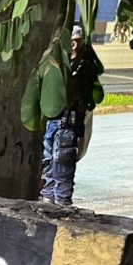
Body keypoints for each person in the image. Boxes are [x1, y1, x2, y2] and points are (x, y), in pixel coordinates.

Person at [40, 28, 88, 206]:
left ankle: (60, 207)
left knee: (60, 173)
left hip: (65, 125)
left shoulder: (78, 70)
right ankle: (50, 204)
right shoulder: (61, 67)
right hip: (55, 125)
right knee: (51, 170)